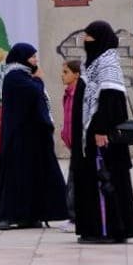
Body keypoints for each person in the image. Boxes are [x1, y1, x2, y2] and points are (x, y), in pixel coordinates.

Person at [71, 21, 133, 244]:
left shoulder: (107, 63)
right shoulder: (92, 63)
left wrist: (100, 130)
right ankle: (97, 228)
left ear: (100, 38)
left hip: (102, 138)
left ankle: (107, 230)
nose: (85, 40)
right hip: (90, 135)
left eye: (89, 36)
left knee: (105, 181)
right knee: (94, 180)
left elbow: (111, 101)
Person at [0, 43, 68, 230]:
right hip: (19, 138)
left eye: (35, 57)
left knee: (32, 176)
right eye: (32, 57)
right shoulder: (14, 76)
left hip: (30, 137)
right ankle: (8, 216)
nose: (35, 61)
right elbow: (34, 93)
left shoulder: (24, 76)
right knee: (16, 176)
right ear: (21, 58)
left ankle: (31, 215)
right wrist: (39, 81)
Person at [56, 60, 84, 233]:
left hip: (79, 145)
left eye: (66, 72)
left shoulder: (79, 94)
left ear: (76, 75)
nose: (62, 75)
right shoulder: (67, 93)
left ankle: (75, 218)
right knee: (72, 181)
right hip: (72, 145)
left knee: (75, 182)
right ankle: (73, 216)